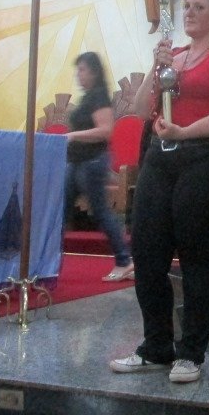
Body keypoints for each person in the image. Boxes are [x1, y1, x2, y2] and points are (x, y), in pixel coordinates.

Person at [110, 0, 209, 383]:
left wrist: (186, 131)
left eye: (198, 7)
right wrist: (155, 68)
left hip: (208, 160)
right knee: (147, 254)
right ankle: (156, 347)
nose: (188, 12)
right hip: (163, 159)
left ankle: (190, 353)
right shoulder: (173, 57)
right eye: (187, 6)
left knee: (195, 257)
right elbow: (142, 110)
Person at [64, 52, 134, 281]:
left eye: (82, 69)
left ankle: (124, 260)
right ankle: (46, 262)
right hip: (76, 162)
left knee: (101, 212)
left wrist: (73, 135)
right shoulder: (87, 97)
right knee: (60, 210)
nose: (79, 74)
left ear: (94, 71)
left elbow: (106, 131)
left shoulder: (99, 96)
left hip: (92, 162)